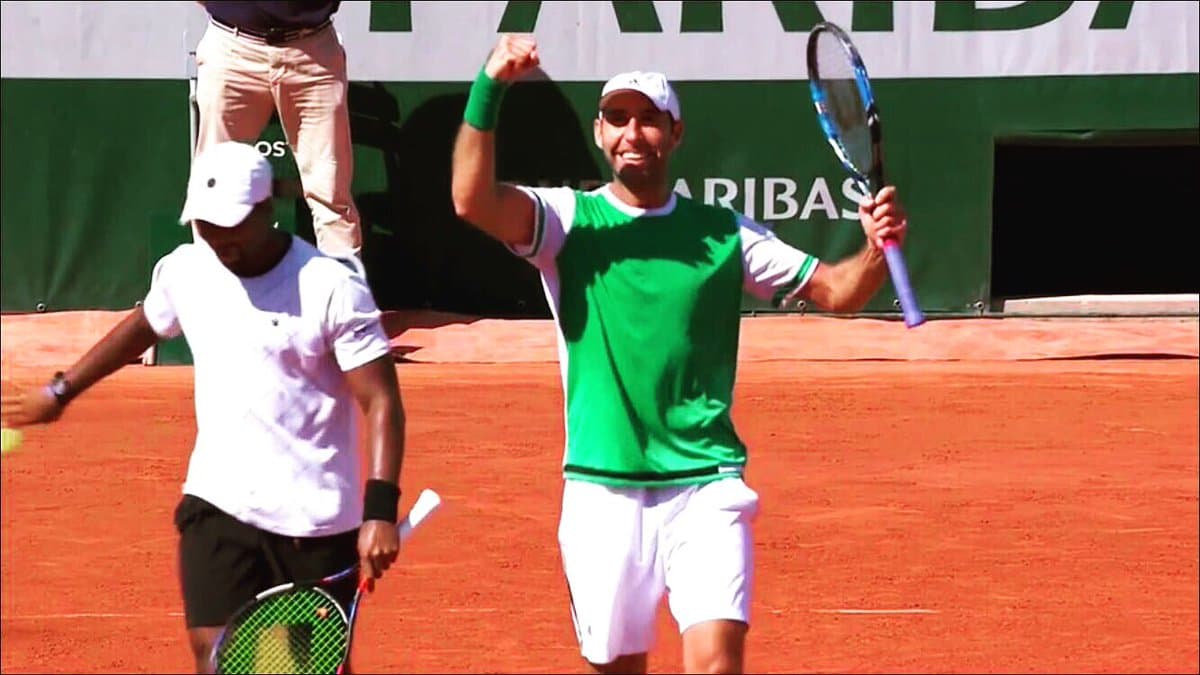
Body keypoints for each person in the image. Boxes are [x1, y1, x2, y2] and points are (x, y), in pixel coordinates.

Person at [450, 35, 911, 675]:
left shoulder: (723, 234)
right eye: (617, 118)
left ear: (675, 133)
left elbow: (838, 291)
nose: (631, 133)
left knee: (716, 664)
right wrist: (490, 84)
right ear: (599, 133)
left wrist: (875, 248)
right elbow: (471, 200)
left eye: (648, 119)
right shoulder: (567, 223)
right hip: (602, 492)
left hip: (707, 485)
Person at [0, 141, 407, 674]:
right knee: (216, 654)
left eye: (231, 224)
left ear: (266, 208)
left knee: (304, 665)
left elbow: (381, 401)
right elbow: (143, 326)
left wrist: (379, 511)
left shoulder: (330, 286)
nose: (219, 238)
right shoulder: (187, 269)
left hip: (313, 518)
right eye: (207, 225)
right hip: (219, 500)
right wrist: (61, 392)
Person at [193, 1, 363, 258]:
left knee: (330, 194)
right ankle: (214, 281)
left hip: (313, 52)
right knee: (216, 187)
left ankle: (343, 283)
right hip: (232, 49)